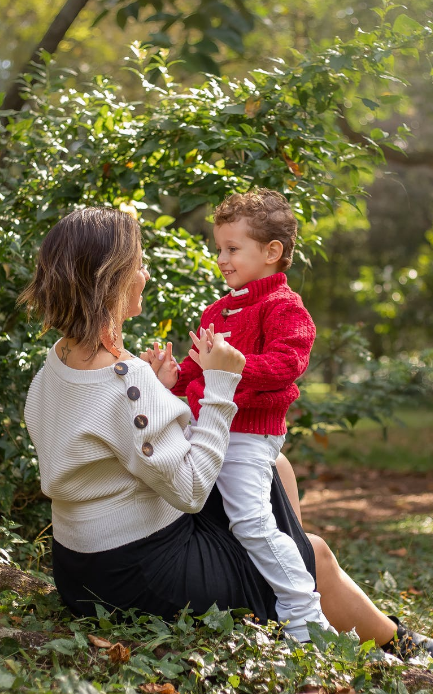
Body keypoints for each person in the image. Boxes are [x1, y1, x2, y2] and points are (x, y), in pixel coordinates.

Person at [20, 206, 433, 667]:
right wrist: (221, 385)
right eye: (138, 262)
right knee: (312, 554)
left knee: (276, 468)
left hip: (78, 567)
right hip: (139, 575)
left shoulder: (54, 366)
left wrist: (163, 393)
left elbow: (114, 446)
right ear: (114, 278)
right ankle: (392, 642)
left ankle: (293, 573)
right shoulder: (127, 380)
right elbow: (192, 490)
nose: (144, 273)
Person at [140, 189, 328, 642]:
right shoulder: (220, 310)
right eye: (218, 249)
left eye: (232, 249)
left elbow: (288, 364)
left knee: (252, 522)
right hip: (208, 430)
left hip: (247, 434)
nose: (221, 259)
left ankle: (305, 616)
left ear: (271, 252)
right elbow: (198, 370)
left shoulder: (283, 307)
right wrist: (170, 377)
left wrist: (231, 368)